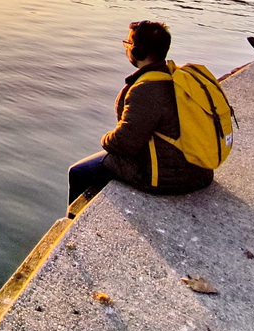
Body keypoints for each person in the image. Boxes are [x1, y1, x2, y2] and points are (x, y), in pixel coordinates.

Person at [67, 21, 214, 204]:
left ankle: (74, 226)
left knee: (78, 172)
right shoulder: (178, 79)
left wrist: (104, 138)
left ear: (138, 52)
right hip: (201, 172)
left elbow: (124, 143)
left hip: (167, 179)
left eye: (128, 44)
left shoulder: (146, 90)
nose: (126, 48)